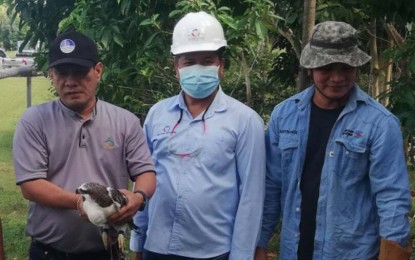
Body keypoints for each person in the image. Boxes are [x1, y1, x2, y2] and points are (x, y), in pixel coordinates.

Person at [255, 21, 412, 259]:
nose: (337, 78)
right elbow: (272, 185)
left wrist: (392, 253)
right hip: (294, 250)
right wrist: (260, 242)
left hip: (351, 253)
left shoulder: (380, 124)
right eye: (326, 68)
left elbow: (391, 198)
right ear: (310, 69)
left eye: (346, 68)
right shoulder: (284, 115)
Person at [130, 11, 266, 260]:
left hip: (214, 251)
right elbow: (143, 178)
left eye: (207, 60)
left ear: (221, 66)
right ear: (176, 68)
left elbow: (252, 197)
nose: (198, 68)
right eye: (189, 61)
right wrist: (137, 242)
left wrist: (241, 256)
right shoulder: (157, 114)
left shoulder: (245, 121)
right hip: (157, 246)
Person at [12, 31, 156, 259]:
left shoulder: (125, 121)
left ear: (98, 71)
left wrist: (137, 197)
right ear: (51, 74)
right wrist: (83, 203)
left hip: (106, 251)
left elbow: (145, 172)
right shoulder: (34, 121)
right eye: (61, 72)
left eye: (79, 72)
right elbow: (30, 185)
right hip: (50, 252)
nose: (70, 82)